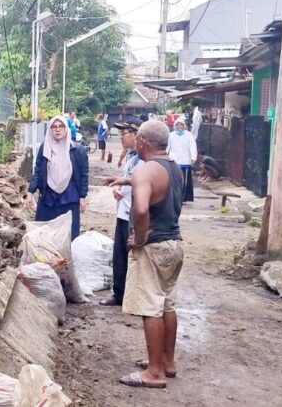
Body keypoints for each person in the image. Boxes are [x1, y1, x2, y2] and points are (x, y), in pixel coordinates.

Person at [107, 120, 185, 389]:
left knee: (150, 307)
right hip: (174, 243)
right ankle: (167, 362)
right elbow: (160, 189)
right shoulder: (174, 168)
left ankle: (153, 373)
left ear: (142, 142)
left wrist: (139, 238)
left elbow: (141, 210)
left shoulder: (143, 170)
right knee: (167, 305)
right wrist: (128, 179)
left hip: (153, 247)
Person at [100, 119, 142, 306]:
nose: (121, 138)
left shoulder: (145, 161)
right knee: (120, 255)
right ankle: (120, 293)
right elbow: (128, 182)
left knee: (134, 256)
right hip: (123, 212)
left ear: (135, 134)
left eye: (124, 134)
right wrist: (118, 189)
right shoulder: (132, 159)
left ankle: (131, 296)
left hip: (136, 215)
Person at [27, 116, 89, 239]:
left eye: (61, 126)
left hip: (69, 197)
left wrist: (82, 197)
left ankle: (66, 258)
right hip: (48, 197)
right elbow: (38, 170)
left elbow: (84, 174)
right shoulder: (45, 147)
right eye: (54, 127)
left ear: (66, 129)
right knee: (44, 233)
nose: (58, 130)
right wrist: (30, 192)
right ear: (50, 130)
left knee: (68, 235)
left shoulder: (77, 150)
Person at [166, 120, 197, 202]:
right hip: (174, 161)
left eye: (181, 125)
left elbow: (192, 146)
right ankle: (175, 197)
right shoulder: (171, 135)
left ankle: (183, 198)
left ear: (184, 126)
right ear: (175, 126)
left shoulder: (188, 135)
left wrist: (193, 157)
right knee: (174, 180)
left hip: (185, 161)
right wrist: (165, 156)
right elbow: (167, 147)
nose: (179, 127)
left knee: (184, 181)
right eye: (178, 125)